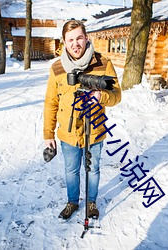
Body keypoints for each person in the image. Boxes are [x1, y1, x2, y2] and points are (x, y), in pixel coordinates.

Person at [43, 20, 121, 220]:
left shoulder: (103, 63)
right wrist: (48, 134)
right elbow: (51, 102)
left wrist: (101, 96)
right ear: (64, 42)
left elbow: (117, 95)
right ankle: (72, 202)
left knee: (93, 168)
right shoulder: (57, 68)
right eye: (71, 40)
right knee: (71, 170)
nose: (75, 43)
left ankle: (92, 202)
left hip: (95, 130)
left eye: (79, 38)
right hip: (68, 133)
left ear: (86, 38)